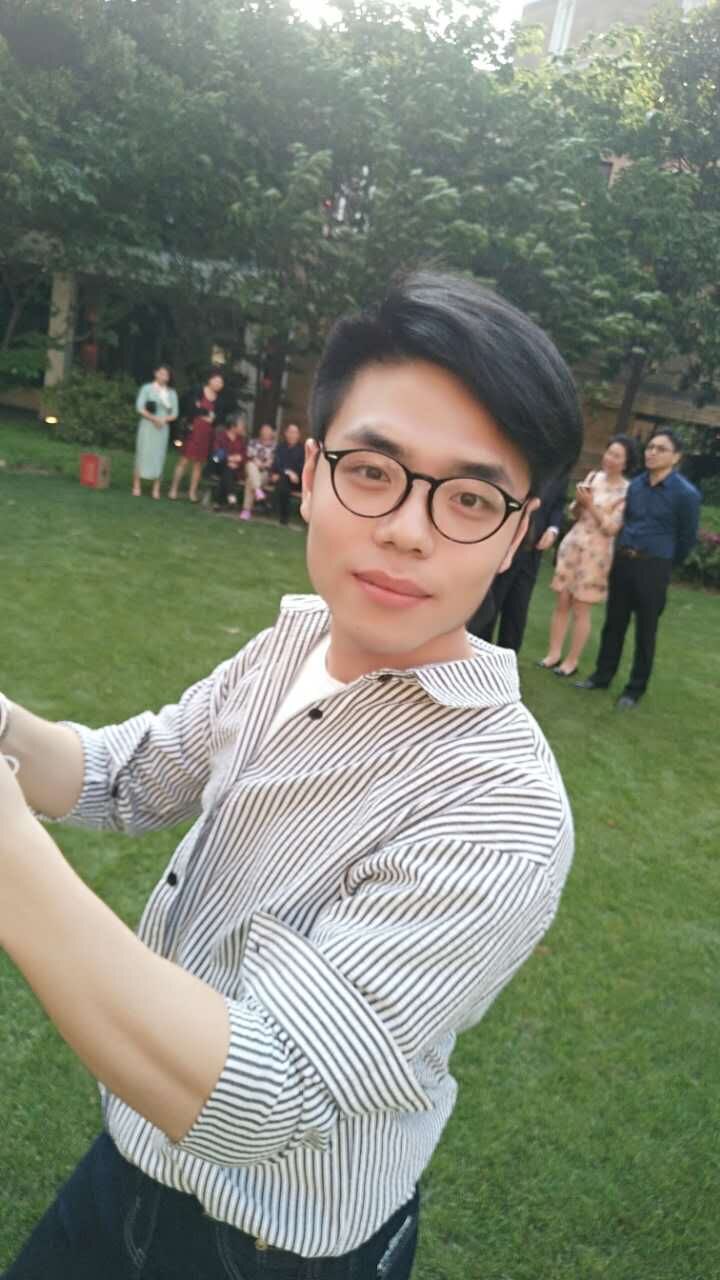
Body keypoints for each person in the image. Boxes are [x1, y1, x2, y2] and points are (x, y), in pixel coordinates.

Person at [0, 271, 583, 1280]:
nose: (407, 528)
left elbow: (263, 1095)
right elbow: (129, 773)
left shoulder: (503, 807)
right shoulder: (293, 643)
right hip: (126, 1164)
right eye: (374, 471)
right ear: (312, 475)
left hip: (270, 1245)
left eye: (470, 498)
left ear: (516, 537)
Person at [576, 427, 700, 709]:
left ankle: (634, 689)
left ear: (676, 457)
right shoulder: (636, 486)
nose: (652, 453)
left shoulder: (686, 494)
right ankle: (601, 676)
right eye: (650, 447)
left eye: (661, 449)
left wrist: (665, 561)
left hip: (654, 567)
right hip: (624, 561)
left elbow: (686, 538)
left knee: (646, 630)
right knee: (614, 624)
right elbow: (628, 521)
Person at [538, 435, 635, 677]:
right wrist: (580, 503)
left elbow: (612, 528)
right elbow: (574, 513)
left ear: (626, 462)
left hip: (597, 553)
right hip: (573, 544)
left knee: (581, 607)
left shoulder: (628, 491)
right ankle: (553, 654)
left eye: (617, 456)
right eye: (609, 452)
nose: (609, 458)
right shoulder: (593, 477)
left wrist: (590, 504)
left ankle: (571, 661)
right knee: (562, 601)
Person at [467, 470, 569, 651]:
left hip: (533, 549)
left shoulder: (560, 470)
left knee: (518, 608)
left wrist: (553, 529)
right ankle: (478, 653)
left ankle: (509, 656)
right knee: (490, 603)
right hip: (505, 542)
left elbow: (559, 503)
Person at [169, 371, 224, 503]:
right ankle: (173, 489)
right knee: (184, 460)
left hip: (207, 433)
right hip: (193, 430)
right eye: (217, 381)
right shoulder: (198, 391)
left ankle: (192, 492)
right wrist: (206, 413)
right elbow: (192, 409)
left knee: (198, 463)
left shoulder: (219, 400)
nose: (219, 384)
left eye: (221, 383)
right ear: (210, 380)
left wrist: (205, 414)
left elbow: (217, 418)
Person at [132, 365, 179, 500]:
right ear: (155, 373)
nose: (163, 377)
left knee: (159, 456)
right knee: (142, 453)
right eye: (161, 373)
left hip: (162, 427)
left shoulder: (171, 393)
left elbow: (175, 413)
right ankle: (136, 485)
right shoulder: (147, 388)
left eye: (166, 375)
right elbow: (139, 407)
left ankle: (156, 488)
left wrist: (163, 420)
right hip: (147, 425)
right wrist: (153, 418)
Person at [211, 412, 248, 508]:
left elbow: (245, 456)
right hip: (220, 467)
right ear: (233, 426)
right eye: (241, 425)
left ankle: (218, 502)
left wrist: (239, 459)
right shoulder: (221, 437)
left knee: (228, 471)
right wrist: (229, 459)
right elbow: (216, 456)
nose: (243, 427)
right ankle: (230, 496)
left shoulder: (241, 439)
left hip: (237, 469)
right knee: (227, 469)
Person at [240, 423, 276, 521]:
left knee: (249, 481)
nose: (265, 433)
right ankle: (258, 491)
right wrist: (256, 462)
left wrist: (264, 464)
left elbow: (273, 461)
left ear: (272, 433)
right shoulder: (253, 442)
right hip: (252, 468)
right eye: (264, 430)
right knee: (250, 465)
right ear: (260, 432)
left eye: (268, 431)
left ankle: (246, 510)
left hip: (265, 473)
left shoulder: (275, 446)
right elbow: (249, 456)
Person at [271, 421, 305, 525]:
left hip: (298, 481)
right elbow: (277, 464)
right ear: (286, 433)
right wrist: (288, 472)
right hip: (284, 479)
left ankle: (276, 510)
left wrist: (292, 473)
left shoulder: (302, 450)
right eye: (290, 432)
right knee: (283, 481)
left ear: (298, 435)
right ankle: (283, 516)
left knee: (282, 481)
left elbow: (302, 467)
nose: (292, 435)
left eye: (295, 432)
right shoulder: (280, 448)